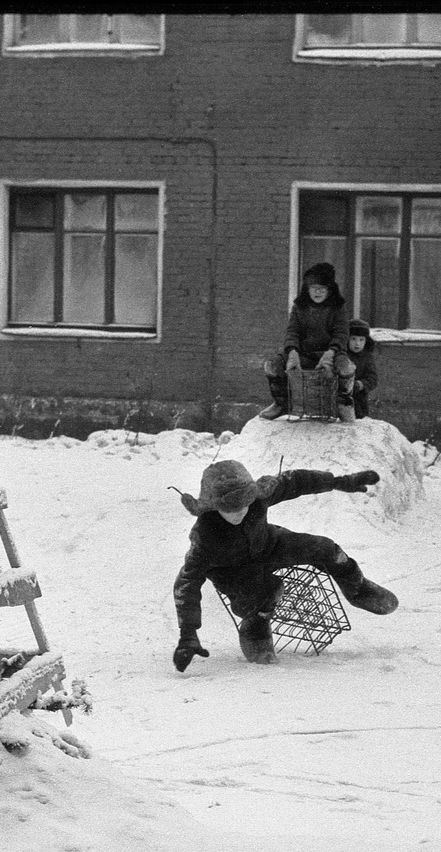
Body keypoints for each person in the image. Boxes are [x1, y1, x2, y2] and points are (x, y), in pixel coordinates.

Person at [171, 459, 398, 669]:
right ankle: (256, 629)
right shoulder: (205, 536)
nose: (240, 512)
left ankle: (358, 588)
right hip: (233, 572)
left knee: (326, 548)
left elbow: (296, 481)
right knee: (265, 592)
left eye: (245, 505)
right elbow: (187, 583)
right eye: (231, 509)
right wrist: (188, 634)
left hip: (268, 545)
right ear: (214, 506)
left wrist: (340, 482)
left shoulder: (258, 497)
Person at [259, 261, 356, 423]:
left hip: (331, 353)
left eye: (322, 288)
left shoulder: (338, 307)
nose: (317, 292)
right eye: (313, 288)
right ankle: (281, 403)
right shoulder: (300, 307)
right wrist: (292, 352)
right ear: (307, 288)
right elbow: (292, 331)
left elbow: (341, 333)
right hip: (304, 353)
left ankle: (343, 404)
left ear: (329, 290)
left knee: (346, 367)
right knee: (272, 365)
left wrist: (331, 352)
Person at [346, 318, 380, 419]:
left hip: (360, 401)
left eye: (361, 340)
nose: (357, 344)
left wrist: (361, 385)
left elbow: (372, 379)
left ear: (366, 341)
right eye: (353, 339)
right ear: (347, 339)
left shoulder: (367, 358)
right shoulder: (342, 356)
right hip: (340, 398)